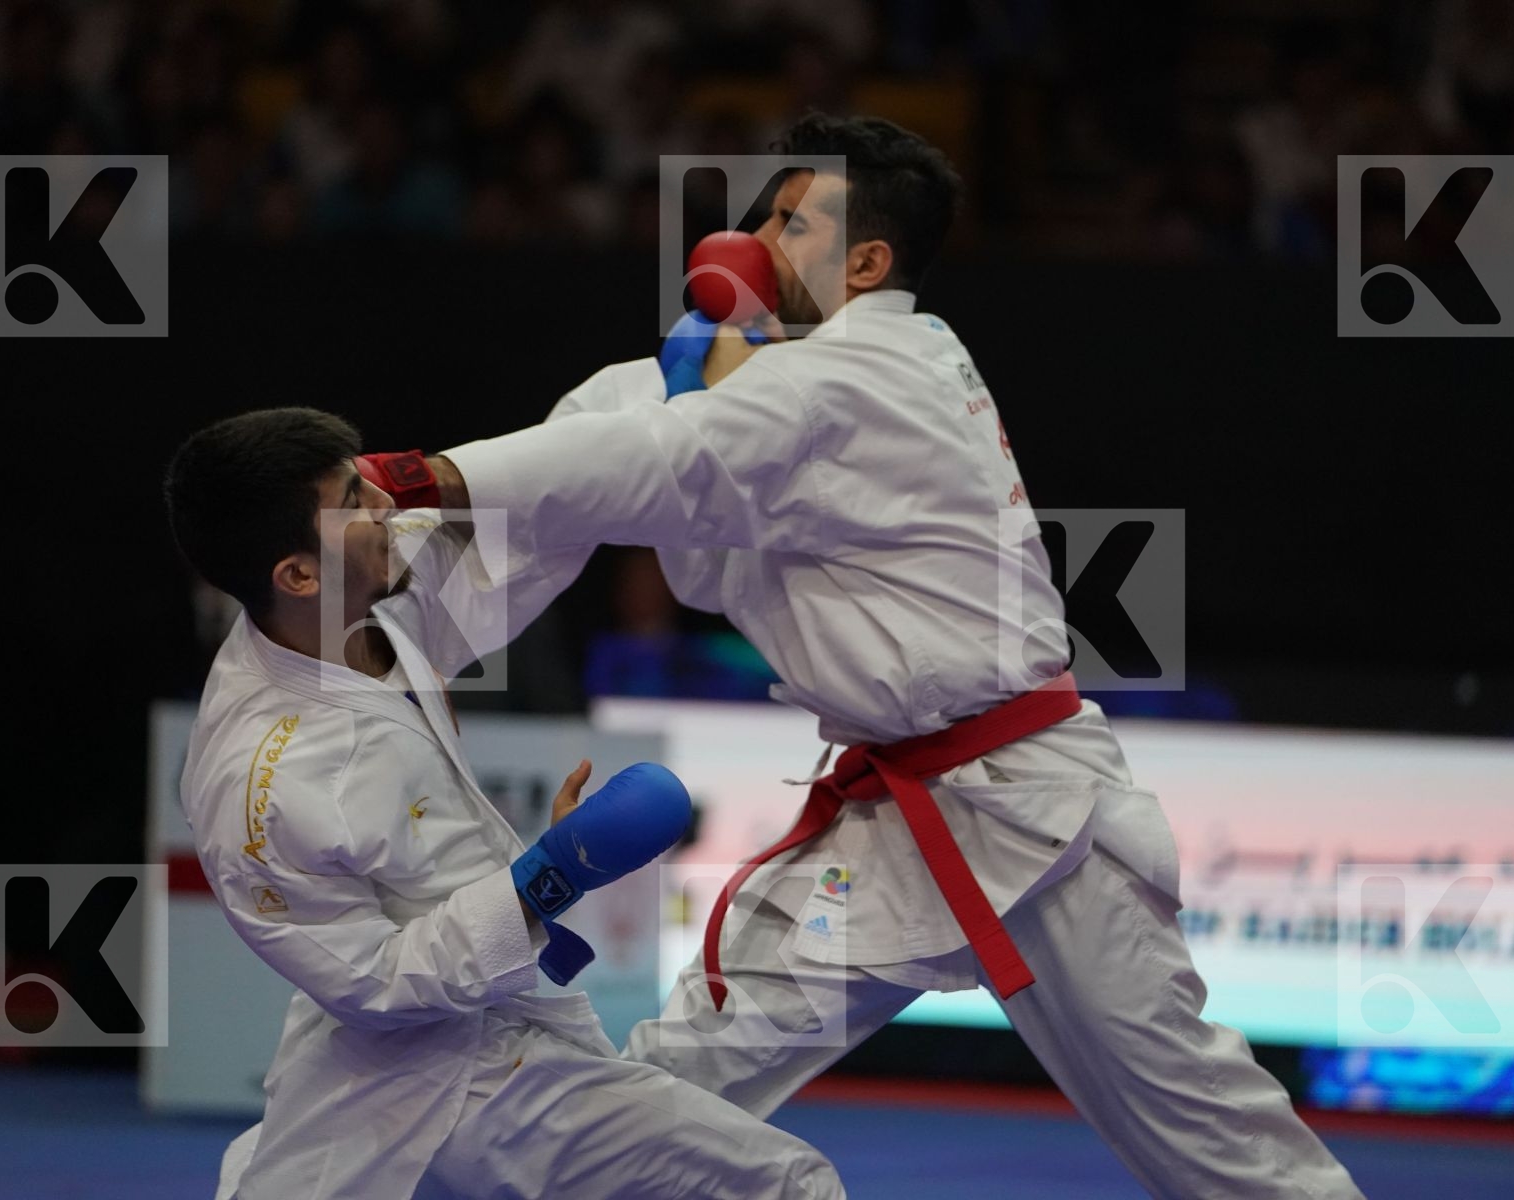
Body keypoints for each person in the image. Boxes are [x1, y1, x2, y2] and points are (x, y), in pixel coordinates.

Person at [383, 113, 1369, 1199]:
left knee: (1210, 1135)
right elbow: (700, 549)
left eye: (791, 223)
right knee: (680, 1077)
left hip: (1031, 815)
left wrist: (436, 475)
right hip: (889, 824)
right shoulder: (827, 374)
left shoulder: (863, 367)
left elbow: (657, 463)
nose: (755, 242)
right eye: (763, 215)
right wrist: (687, 403)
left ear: (866, 263)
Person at [162, 408, 845, 1200]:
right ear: (298, 576)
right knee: (786, 1186)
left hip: (477, 1036)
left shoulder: (363, 592)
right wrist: (548, 878)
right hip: (440, 1074)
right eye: (355, 499)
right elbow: (373, 983)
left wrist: (677, 407)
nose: (385, 504)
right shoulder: (261, 782)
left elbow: (546, 518)